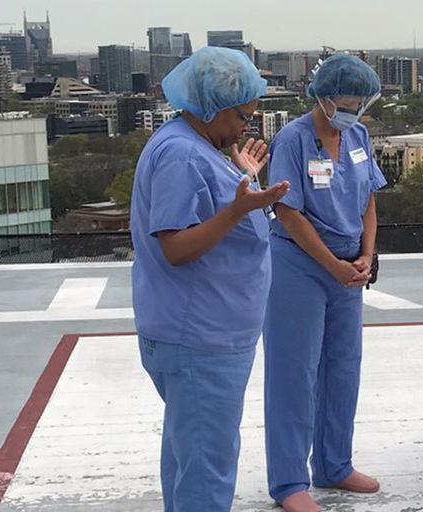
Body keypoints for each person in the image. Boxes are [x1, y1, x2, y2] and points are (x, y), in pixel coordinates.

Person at [130, 46, 290, 511]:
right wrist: (239, 208)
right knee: (206, 468)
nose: (246, 127)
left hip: (208, 333)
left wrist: (243, 180)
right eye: (243, 116)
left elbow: (217, 208)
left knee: (189, 454)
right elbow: (177, 247)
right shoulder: (181, 155)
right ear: (213, 105)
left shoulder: (200, 146)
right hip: (199, 337)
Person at [262, 53, 386, 512]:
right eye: (349, 101)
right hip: (300, 265)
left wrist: (366, 256)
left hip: (349, 268)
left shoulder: (358, 135)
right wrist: (332, 265)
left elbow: (367, 198)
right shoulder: (293, 140)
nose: (356, 109)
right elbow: (287, 211)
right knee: (294, 373)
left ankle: (335, 464)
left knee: (343, 368)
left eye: (362, 101)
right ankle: (289, 482)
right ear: (325, 97)